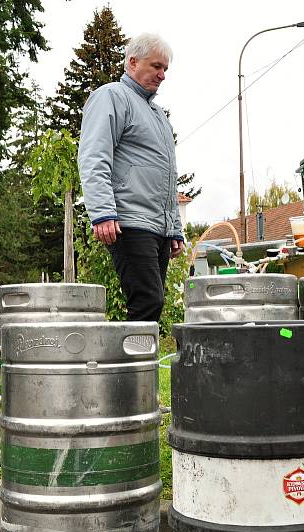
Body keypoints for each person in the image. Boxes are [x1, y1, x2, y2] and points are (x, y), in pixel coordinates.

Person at [78, 34, 184, 322]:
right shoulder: (112, 96)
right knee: (148, 300)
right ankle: (128, 367)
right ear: (133, 62)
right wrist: (101, 212)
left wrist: (174, 228)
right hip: (128, 220)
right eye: (156, 66)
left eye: (165, 70)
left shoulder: (158, 115)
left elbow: (168, 175)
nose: (162, 75)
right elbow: (93, 155)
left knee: (151, 305)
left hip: (157, 226)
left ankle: (139, 366)